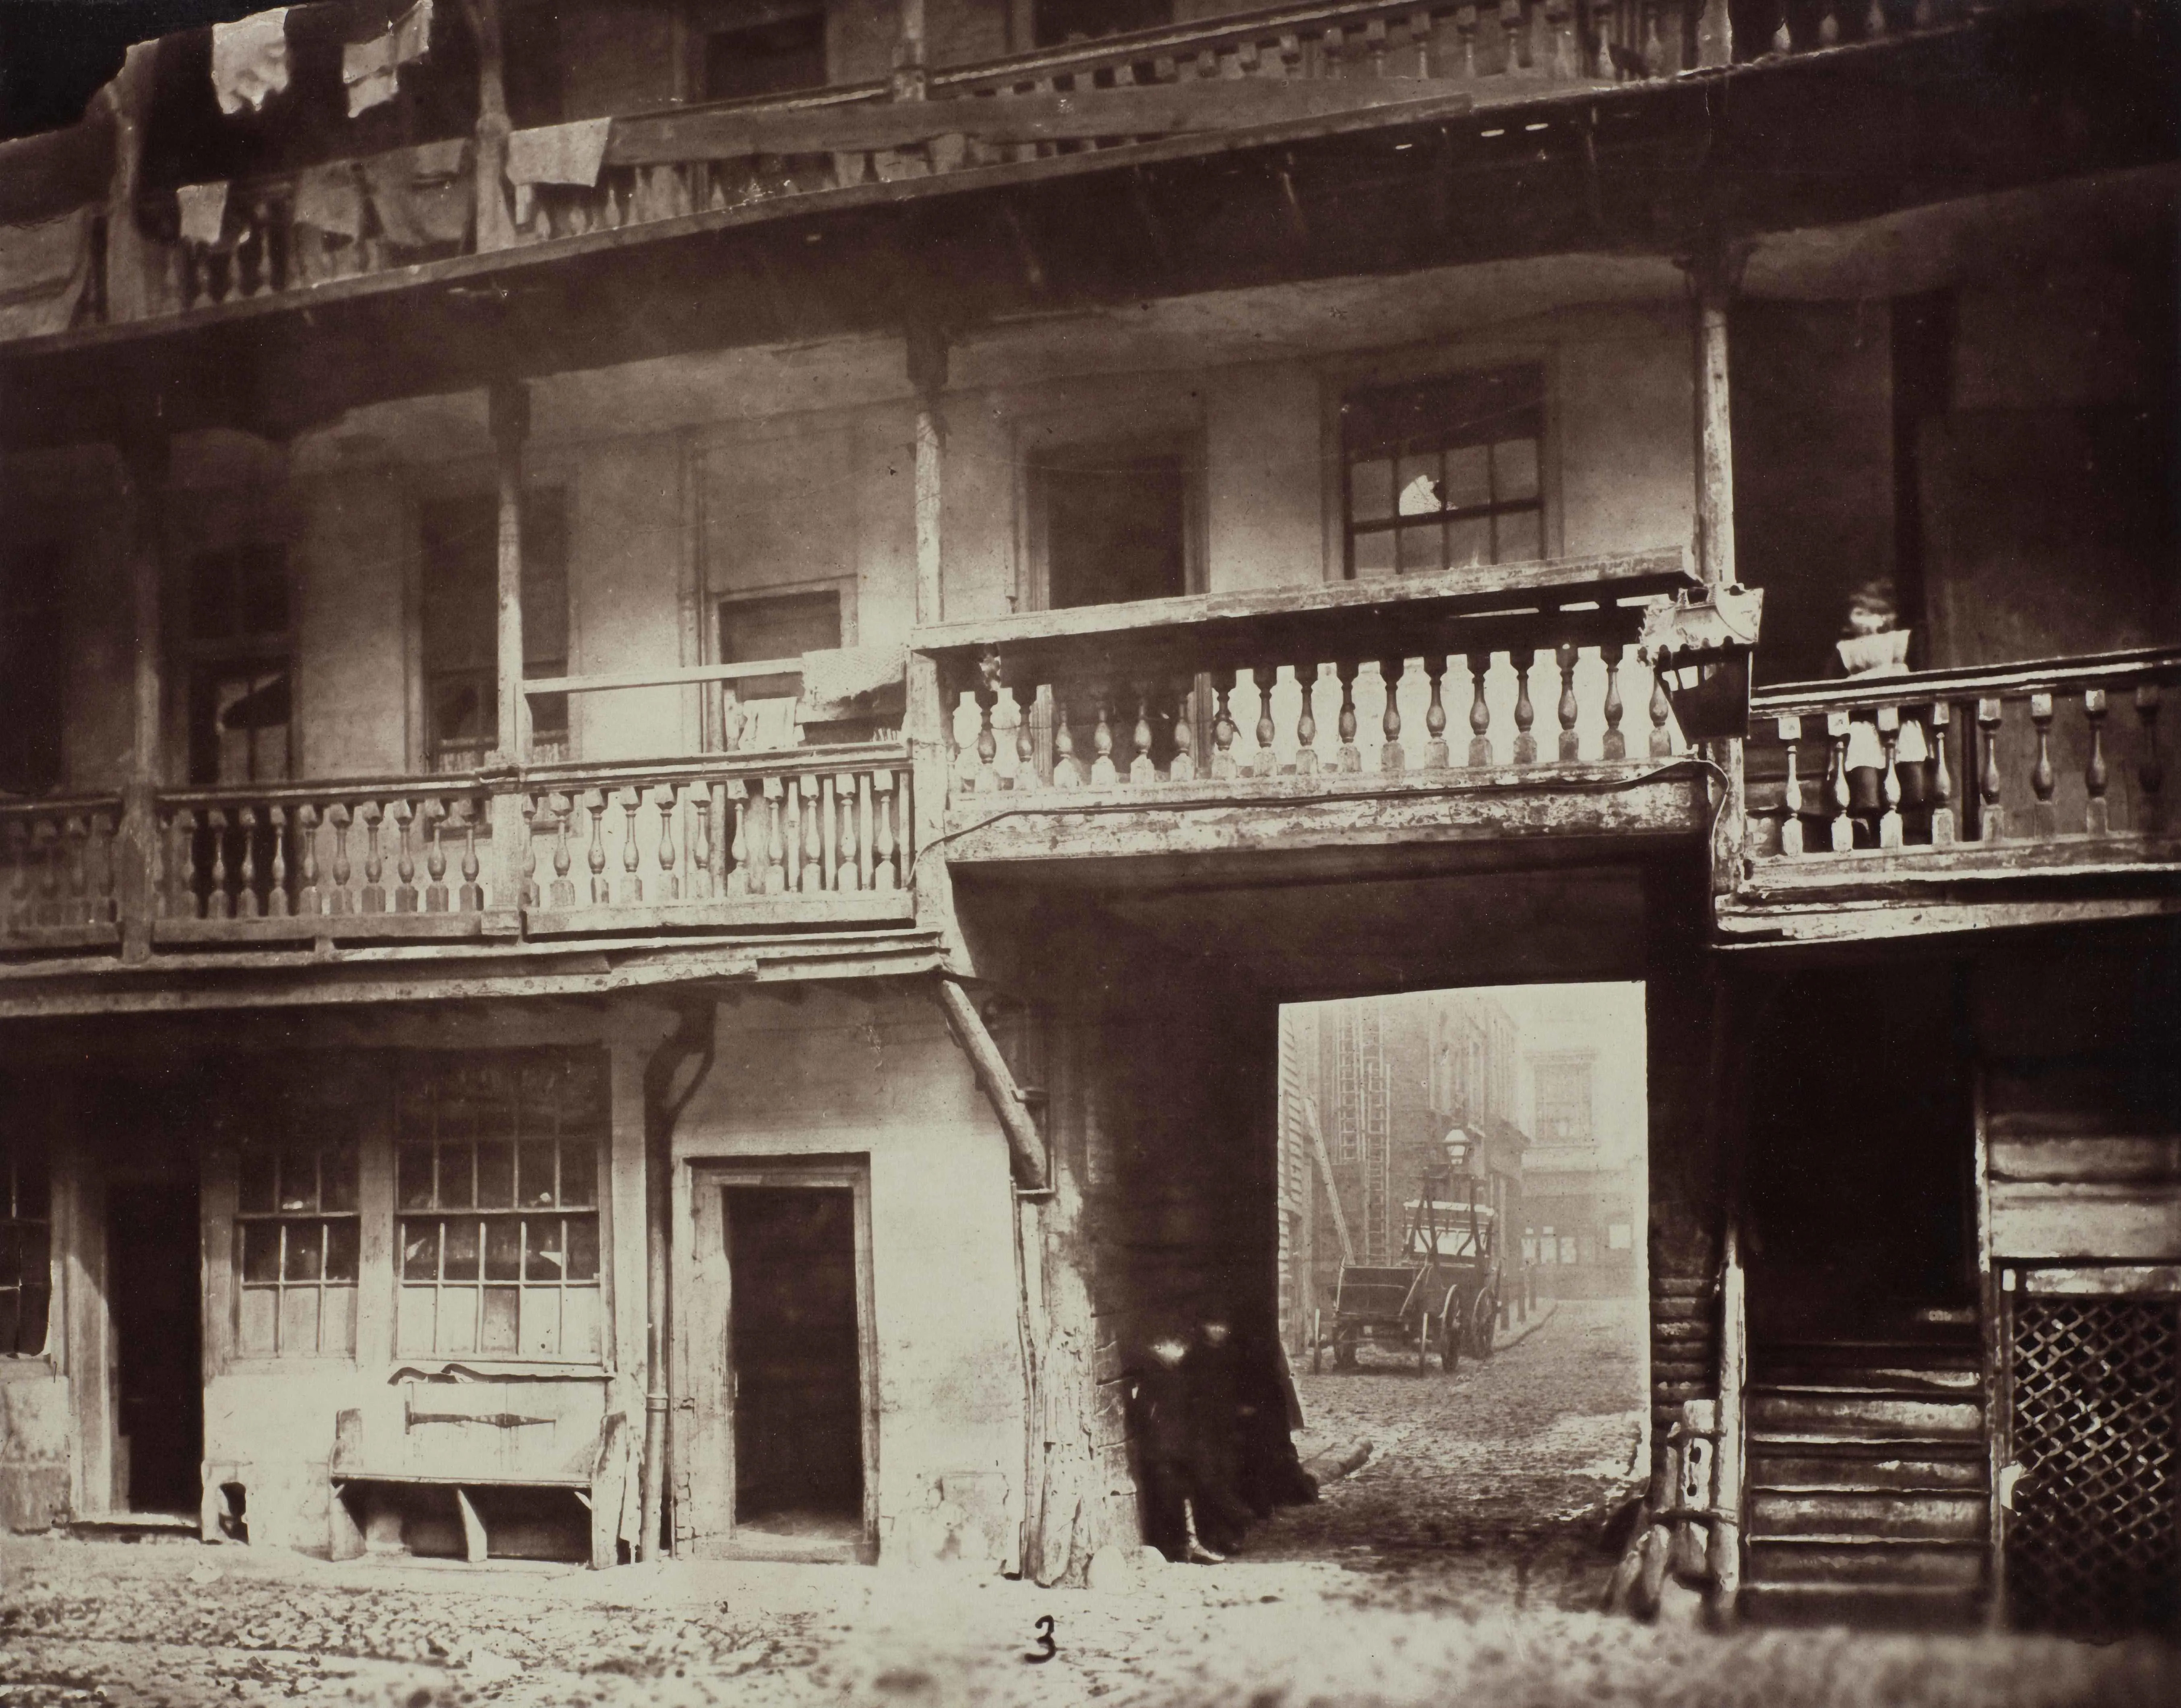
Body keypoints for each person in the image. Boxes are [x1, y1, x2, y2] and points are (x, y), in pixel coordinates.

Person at [1833, 578, 1928, 842]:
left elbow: (1923, 686)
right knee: (1866, 774)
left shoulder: (1902, 643)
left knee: (1908, 777)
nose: (1867, 623)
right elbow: (1828, 689)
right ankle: (1871, 830)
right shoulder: (1845, 652)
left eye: (1875, 614)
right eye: (1859, 614)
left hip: (1899, 723)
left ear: (1888, 616)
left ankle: (1910, 834)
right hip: (1863, 725)